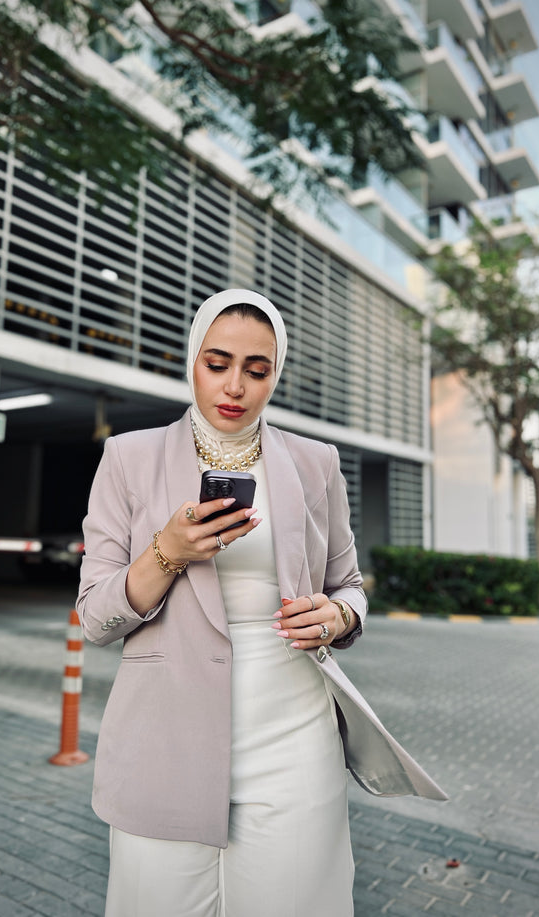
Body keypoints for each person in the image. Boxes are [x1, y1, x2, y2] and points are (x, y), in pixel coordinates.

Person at [76, 289, 394, 916]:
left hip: (292, 734)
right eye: (217, 363)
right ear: (192, 359)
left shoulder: (315, 463)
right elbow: (95, 617)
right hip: (164, 733)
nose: (236, 386)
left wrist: (340, 616)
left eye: (258, 370)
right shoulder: (129, 457)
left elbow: (349, 584)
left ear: (276, 373)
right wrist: (166, 551)